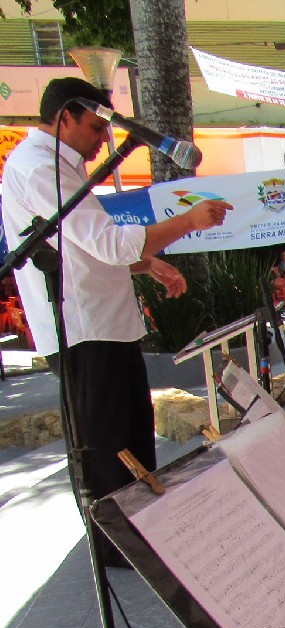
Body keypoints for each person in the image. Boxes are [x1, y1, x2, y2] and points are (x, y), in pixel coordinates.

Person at [0, 77, 231, 546]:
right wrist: (187, 221)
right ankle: (119, 546)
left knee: (129, 438)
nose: (103, 137)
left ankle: (141, 533)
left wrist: (146, 263)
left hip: (103, 323)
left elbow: (81, 246)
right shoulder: (40, 166)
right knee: (108, 447)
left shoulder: (56, 166)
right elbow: (103, 244)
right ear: (64, 116)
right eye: (93, 125)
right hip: (84, 328)